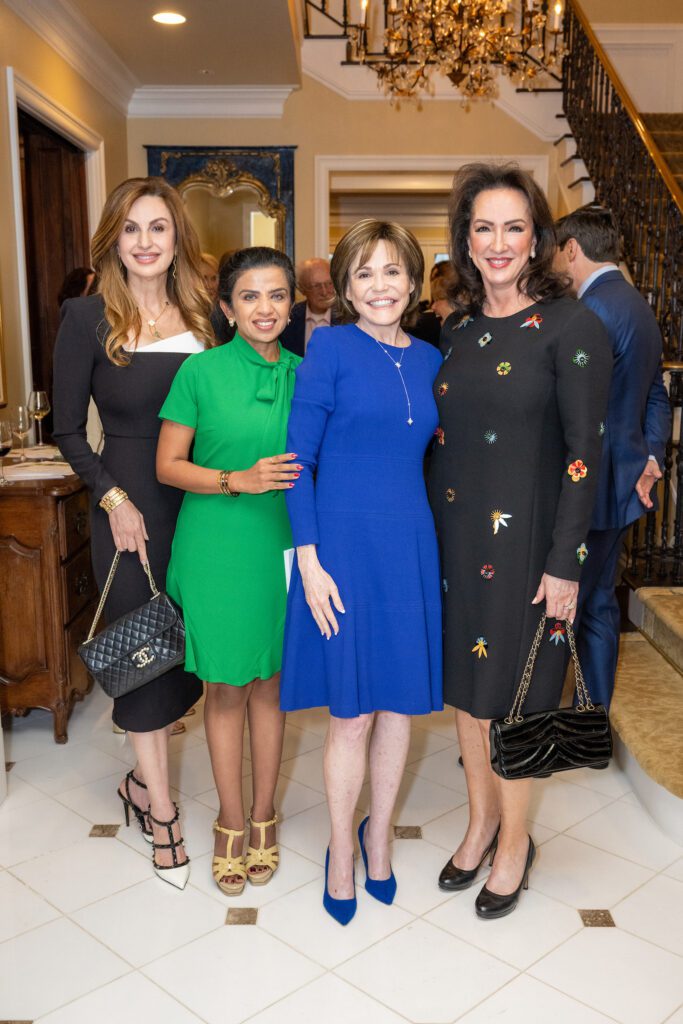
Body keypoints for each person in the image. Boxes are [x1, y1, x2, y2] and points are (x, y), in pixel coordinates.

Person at [428, 164, 612, 919]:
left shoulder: (573, 326)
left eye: (512, 226)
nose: (497, 242)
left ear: (536, 236)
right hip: (452, 536)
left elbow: (584, 453)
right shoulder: (457, 328)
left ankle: (513, 842)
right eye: (482, 226)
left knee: (517, 698)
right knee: (468, 697)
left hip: (530, 545)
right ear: (464, 239)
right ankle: (477, 823)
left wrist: (565, 562)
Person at [53, 176, 215, 890]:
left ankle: (139, 785)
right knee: (143, 654)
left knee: (185, 652)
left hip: (198, 506)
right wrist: (114, 497)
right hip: (126, 506)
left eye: (158, 227)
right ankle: (164, 816)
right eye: (131, 229)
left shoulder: (207, 315)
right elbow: (65, 429)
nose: (145, 242)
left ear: (177, 236)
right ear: (113, 239)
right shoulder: (85, 316)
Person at [280, 220, 444, 925]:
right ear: (345, 288)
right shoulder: (330, 348)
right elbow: (297, 463)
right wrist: (309, 563)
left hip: (409, 543)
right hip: (340, 549)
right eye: (364, 274)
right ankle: (339, 852)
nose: (379, 285)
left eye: (391, 272)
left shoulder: (435, 357)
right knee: (350, 715)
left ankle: (378, 836)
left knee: (400, 706)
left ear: (412, 280)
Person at [156, 247, 301, 896]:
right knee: (224, 689)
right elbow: (168, 465)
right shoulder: (201, 372)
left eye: (276, 295)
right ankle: (230, 822)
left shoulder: (309, 374)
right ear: (226, 308)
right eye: (250, 296)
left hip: (283, 545)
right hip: (216, 542)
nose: (264, 308)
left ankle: (266, 813)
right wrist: (233, 480)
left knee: (271, 684)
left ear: (292, 304)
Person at [554, 205, 671, 708]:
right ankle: (591, 717)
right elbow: (656, 394)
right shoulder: (638, 305)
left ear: (572, 249)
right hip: (622, 481)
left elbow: (573, 407)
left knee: (564, 602)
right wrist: (650, 457)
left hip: (588, 486)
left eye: (558, 251)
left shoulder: (592, 312)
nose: (556, 260)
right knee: (597, 601)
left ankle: (550, 720)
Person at [279, 257, 339, 357]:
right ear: (302, 289)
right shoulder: (289, 318)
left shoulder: (350, 317)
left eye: (329, 284)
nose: (324, 292)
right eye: (316, 286)